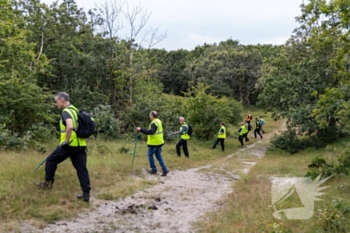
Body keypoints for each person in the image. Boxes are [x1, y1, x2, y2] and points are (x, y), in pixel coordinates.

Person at [36, 92, 91, 202]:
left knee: (51, 160)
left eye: (56, 101)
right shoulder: (75, 110)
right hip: (80, 145)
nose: (55, 104)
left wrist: (66, 141)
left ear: (62, 100)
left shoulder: (66, 112)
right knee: (81, 169)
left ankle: (48, 184)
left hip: (69, 145)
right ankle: (86, 194)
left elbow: (70, 127)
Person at [136, 111, 169, 176]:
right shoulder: (159, 121)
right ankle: (165, 169)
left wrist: (141, 129)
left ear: (152, 116)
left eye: (150, 115)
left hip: (154, 142)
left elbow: (151, 131)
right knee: (159, 155)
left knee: (149, 154)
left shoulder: (154, 123)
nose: (149, 116)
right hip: (160, 141)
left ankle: (154, 169)